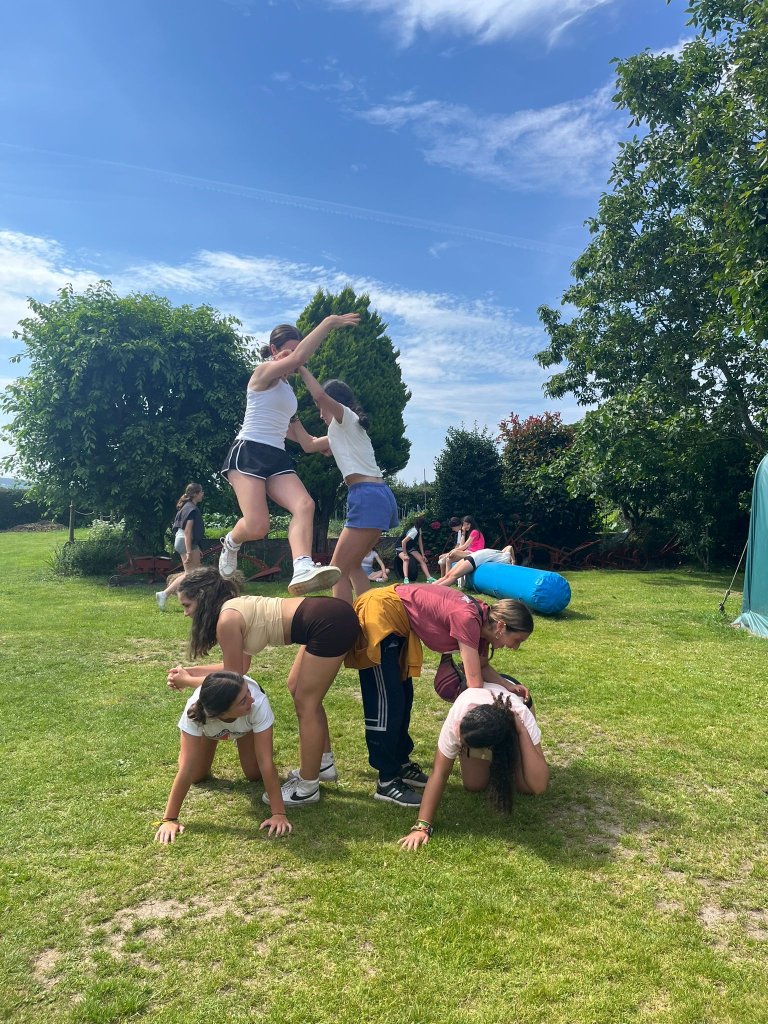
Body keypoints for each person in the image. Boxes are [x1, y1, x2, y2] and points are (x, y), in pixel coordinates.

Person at [166, 567, 361, 808]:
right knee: (296, 687)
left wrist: (187, 681)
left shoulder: (227, 620)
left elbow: (233, 678)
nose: (186, 613)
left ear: (202, 598)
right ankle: (323, 765)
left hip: (329, 623)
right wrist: (191, 672)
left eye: (187, 605)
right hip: (329, 616)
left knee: (306, 703)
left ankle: (308, 788)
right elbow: (240, 667)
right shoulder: (232, 611)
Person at [345, 584, 533, 807]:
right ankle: (386, 780)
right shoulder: (468, 618)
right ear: (501, 626)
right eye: (517, 640)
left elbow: (480, 666)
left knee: (404, 698)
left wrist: (507, 686)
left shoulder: (482, 621)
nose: (515, 647)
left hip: (396, 623)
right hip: (379, 613)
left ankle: (401, 763)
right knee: (388, 702)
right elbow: (474, 683)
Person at [218, 312, 361, 596]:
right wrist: (329, 322)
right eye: (290, 351)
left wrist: (341, 438)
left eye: (298, 351)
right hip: (249, 452)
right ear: (274, 350)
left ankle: (302, 566)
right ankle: (231, 542)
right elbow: (298, 359)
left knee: (305, 505)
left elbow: (306, 442)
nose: (296, 360)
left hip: (276, 457)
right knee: (258, 526)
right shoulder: (262, 373)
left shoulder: (288, 395)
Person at [397, 680, 548, 851]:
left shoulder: (521, 714)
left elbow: (540, 786)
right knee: (474, 784)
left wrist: (521, 730)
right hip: (485, 698)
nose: (456, 731)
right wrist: (422, 827)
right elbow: (439, 773)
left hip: (514, 700)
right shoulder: (458, 718)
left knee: (526, 786)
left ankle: (507, 756)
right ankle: (500, 761)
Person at [297, 366, 399, 604]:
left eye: (321, 407)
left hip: (367, 496)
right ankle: (367, 618)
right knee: (352, 566)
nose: (320, 414)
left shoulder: (346, 418)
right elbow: (308, 444)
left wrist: (299, 366)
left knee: (336, 570)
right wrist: (289, 416)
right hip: (378, 495)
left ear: (334, 402)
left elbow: (320, 395)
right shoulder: (341, 431)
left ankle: (341, 623)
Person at [154, 671, 292, 844]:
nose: (251, 700)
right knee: (195, 775)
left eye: (248, 692)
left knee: (255, 774)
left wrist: (278, 814)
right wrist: (169, 819)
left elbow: (266, 763)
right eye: (243, 701)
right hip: (209, 730)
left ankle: (243, 735)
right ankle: (205, 740)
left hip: (246, 728)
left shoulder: (258, 703)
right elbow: (187, 769)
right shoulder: (194, 711)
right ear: (221, 712)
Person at [156, 483, 206, 610]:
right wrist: (189, 551)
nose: (202, 494)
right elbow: (188, 531)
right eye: (201, 492)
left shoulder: (185, 507)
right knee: (194, 574)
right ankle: (185, 598)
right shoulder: (191, 509)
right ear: (195, 494)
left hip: (181, 541)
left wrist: (197, 548)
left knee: (190, 573)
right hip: (186, 541)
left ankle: (166, 594)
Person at [433, 544, 516, 587]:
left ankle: (430, 587)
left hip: (470, 556)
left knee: (447, 576)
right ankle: (435, 590)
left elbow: (509, 547)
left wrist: (513, 559)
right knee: (453, 577)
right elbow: (510, 547)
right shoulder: (505, 558)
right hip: (474, 560)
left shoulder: (498, 552)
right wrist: (513, 561)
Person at [397, 518, 436, 584]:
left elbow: (420, 542)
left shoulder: (419, 530)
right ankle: (406, 578)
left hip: (409, 547)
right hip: (400, 546)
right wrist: (405, 554)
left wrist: (423, 555)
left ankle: (429, 578)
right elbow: (403, 542)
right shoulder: (414, 531)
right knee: (406, 559)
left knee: (422, 560)